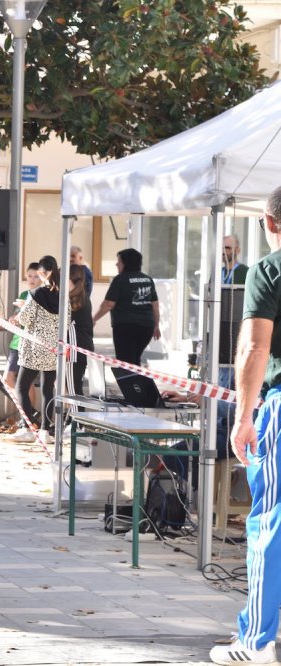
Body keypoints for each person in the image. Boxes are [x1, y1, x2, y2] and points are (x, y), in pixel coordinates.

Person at [209, 188, 281, 666]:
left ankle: (255, 641)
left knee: (270, 522)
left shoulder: (269, 270)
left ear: (271, 222)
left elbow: (254, 348)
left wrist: (243, 415)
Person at [13, 256, 62, 442]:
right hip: (52, 349)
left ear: (41, 273)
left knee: (22, 387)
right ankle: (46, 430)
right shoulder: (62, 295)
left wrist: (21, 309)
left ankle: (27, 428)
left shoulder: (35, 294)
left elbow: (24, 319)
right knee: (48, 389)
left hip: (34, 348)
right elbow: (66, 320)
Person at [93, 248, 160, 368]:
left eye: (119, 261)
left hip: (126, 327)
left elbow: (109, 304)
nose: (116, 264)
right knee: (134, 360)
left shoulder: (120, 280)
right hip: (146, 328)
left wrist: (94, 319)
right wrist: (156, 325)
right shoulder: (148, 280)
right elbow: (155, 305)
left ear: (126, 263)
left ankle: (132, 386)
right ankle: (138, 384)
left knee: (125, 364)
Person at [5, 262, 43, 393]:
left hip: (30, 344)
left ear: (42, 278)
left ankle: (29, 412)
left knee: (27, 383)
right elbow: (17, 315)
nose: (32, 279)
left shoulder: (43, 296)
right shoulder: (23, 294)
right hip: (17, 342)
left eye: (35, 276)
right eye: (29, 276)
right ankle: (19, 411)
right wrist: (13, 319)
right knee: (8, 378)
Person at [68, 264, 94, 397]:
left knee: (73, 388)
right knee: (71, 386)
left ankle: (76, 417)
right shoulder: (80, 296)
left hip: (76, 349)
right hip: (78, 347)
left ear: (71, 279)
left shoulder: (74, 299)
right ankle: (71, 417)